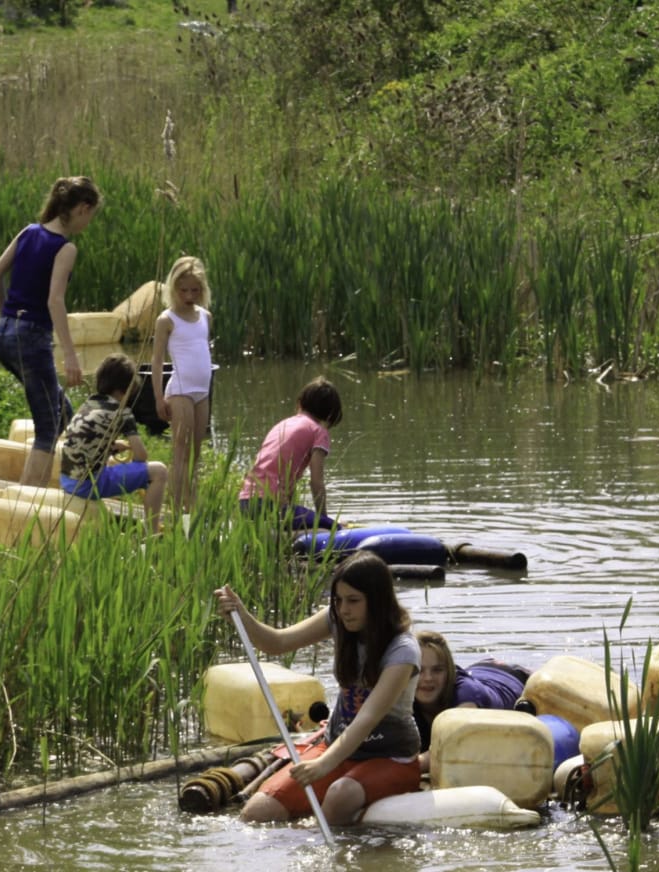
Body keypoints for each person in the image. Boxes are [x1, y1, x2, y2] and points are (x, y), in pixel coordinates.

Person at [214, 552, 421, 826]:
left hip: (390, 756)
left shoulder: (402, 651)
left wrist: (323, 765)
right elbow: (277, 643)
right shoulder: (336, 619)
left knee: (339, 795)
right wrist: (242, 615)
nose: (343, 609)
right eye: (338, 600)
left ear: (378, 602)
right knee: (258, 813)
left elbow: (367, 719)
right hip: (336, 746)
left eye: (353, 601)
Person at [0, 176, 101, 486]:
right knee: (48, 427)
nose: (89, 222)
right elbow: (55, 301)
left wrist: (5, 317)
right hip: (32, 339)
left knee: (62, 412)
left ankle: (65, 479)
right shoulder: (65, 248)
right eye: (91, 216)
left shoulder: (28, 232)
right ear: (82, 209)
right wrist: (72, 356)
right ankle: (25, 502)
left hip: (5, 336)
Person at [59, 353, 169, 532]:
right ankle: (153, 530)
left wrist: (112, 446)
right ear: (126, 389)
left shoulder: (88, 404)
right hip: (88, 486)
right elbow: (141, 456)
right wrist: (134, 451)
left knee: (115, 466)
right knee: (159, 471)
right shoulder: (122, 412)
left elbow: (88, 441)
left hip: (67, 480)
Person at [149, 255, 214, 520]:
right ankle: (176, 512)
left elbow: (203, 352)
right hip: (180, 390)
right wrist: (157, 397)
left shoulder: (205, 316)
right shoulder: (167, 320)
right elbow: (156, 360)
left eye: (195, 290)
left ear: (203, 290)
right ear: (173, 289)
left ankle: (192, 507)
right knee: (181, 450)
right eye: (183, 290)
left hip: (202, 390)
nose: (189, 295)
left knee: (196, 453)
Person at [411, 631, 532, 768]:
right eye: (420, 670)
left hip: (510, 677)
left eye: (437, 670)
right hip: (477, 670)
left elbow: (454, 741)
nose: (428, 678)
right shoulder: (402, 694)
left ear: (449, 672)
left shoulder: (466, 694)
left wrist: (410, 767)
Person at [238, 376, 343, 530]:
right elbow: (316, 483)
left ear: (300, 403)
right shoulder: (319, 432)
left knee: (299, 517)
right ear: (330, 415)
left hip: (245, 503)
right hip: (269, 506)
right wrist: (325, 521)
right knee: (333, 527)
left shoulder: (283, 424)